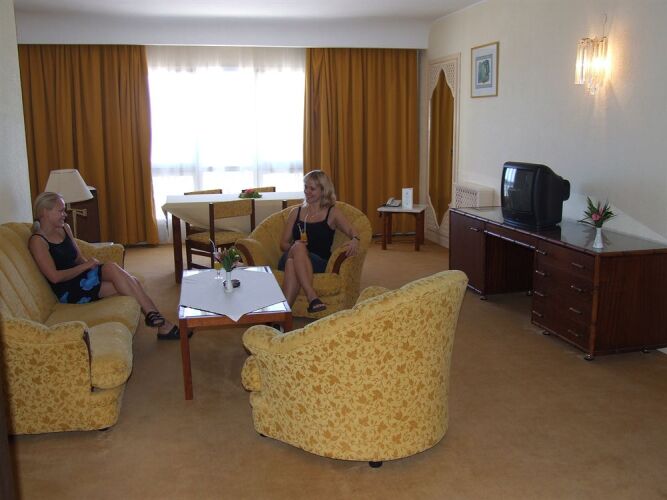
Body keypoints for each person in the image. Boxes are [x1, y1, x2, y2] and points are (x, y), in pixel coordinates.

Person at [29, 192, 181, 340]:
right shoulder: (38, 241)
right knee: (123, 277)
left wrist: (89, 266)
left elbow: (78, 257)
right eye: (60, 211)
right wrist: (85, 267)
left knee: (129, 281)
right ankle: (161, 323)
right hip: (68, 290)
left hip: (81, 278)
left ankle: (161, 324)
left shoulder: (65, 228)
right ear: (45, 212)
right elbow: (54, 277)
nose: (65, 214)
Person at [278, 170, 361, 313]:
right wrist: (297, 248)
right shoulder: (295, 212)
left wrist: (355, 240)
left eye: (312, 188)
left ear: (323, 191)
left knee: (292, 264)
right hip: (290, 254)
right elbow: (283, 244)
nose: (307, 191)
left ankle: (281, 317)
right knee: (298, 248)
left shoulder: (332, 212)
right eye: (305, 187)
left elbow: (351, 230)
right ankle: (312, 297)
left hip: (318, 262)